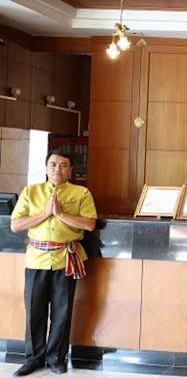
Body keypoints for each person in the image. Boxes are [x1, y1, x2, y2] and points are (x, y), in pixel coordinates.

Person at [10, 150, 97, 376]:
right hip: (36, 260)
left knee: (62, 311)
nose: (57, 168)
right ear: (46, 167)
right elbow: (16, 225)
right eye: (53, 164)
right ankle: (33, 359)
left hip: (65, 260)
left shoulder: (81, 193)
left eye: (63, 165)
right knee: (34, 311)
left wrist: (60, 214)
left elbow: (89, 224)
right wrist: (45, 214)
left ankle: (56, 358)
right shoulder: (31, 191)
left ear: (71, 169)